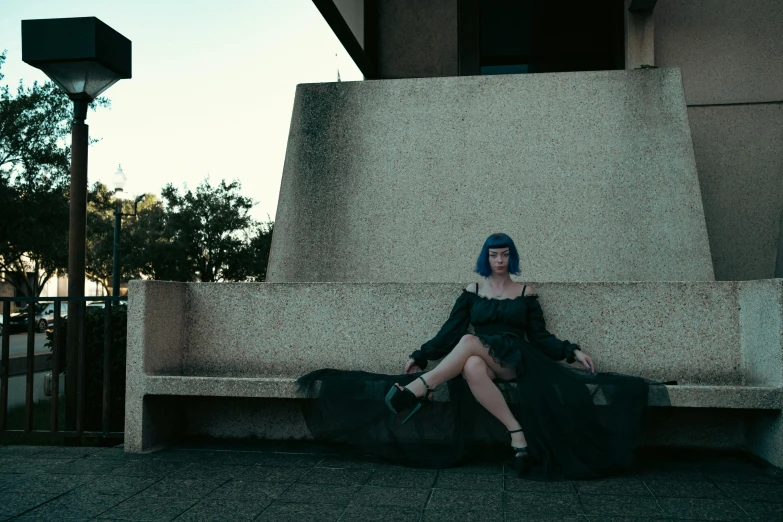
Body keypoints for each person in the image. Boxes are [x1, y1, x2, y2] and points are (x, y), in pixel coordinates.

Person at [298, 233, 663, 479]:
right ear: (485, 257)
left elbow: (540, 336)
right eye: (494, 254)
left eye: (505, 254)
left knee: (472, 346)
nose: (500, 260)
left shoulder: (525, 291)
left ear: (512, 257)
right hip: (482, 363)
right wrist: (422, 354)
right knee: (471, 359)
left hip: (516, 360)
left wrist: (571, 352)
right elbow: (451, 331)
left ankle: (417, 391)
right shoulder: (471, 290)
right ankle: (516, 434)